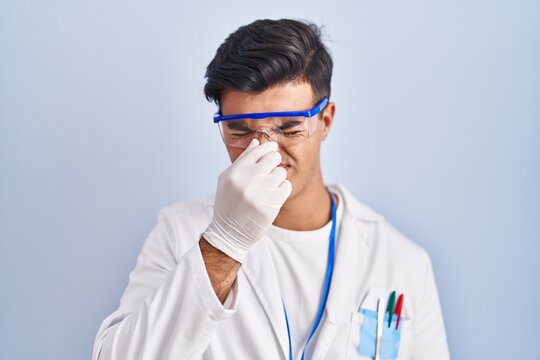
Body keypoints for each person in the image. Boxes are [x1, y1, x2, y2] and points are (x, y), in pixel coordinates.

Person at [92, 19, 450, 360]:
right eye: (240, 130)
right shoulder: (178, 230)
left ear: (325, 121)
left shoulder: (403, 261)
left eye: (289, 127)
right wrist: (224, 241)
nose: (265, 149)